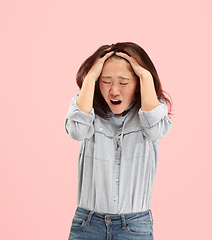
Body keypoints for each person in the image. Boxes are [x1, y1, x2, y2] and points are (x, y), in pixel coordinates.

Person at [65, 42, 172, 240]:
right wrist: (90, 77)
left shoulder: (154, 111)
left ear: (138, 85)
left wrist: (146, 76)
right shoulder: (86, 108)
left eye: (123, 82)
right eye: (106, 81)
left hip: (134, 226)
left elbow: (155, 131)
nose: (114, 90)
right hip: (88, 224)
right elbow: (77, 131)